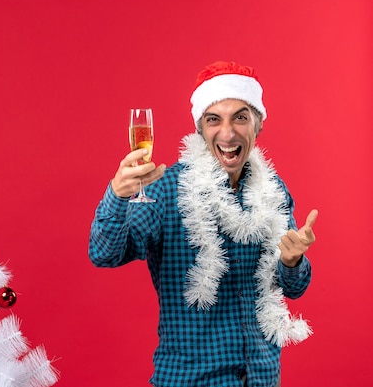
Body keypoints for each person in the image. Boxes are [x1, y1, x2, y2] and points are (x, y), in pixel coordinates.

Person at [88, 61, 317, 387]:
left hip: (263, 377)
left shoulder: (273, 190)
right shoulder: (166, 190)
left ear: (258, 124)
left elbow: (293, 288)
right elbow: (104, 254)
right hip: (191, 379)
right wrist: (117, 195)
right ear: (200, 128)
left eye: (241, 117)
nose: (228, 132)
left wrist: (293, 260)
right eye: (214, 119)